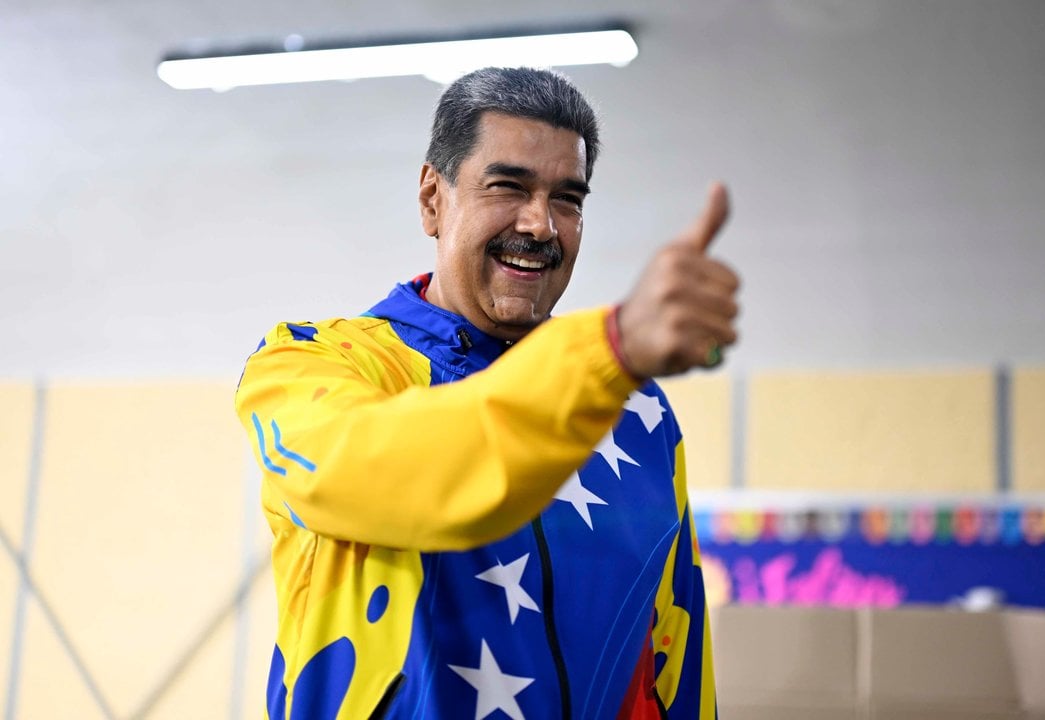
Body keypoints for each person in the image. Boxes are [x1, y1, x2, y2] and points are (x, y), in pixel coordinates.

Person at [235, 66, 739, 719]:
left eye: (568, 199)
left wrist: (608, 366)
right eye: (508, 185)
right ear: (431, 198)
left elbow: (674, 656)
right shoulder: (311, 364)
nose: (541, 224)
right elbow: (419, 476)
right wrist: (608, 350)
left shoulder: (638, 411)